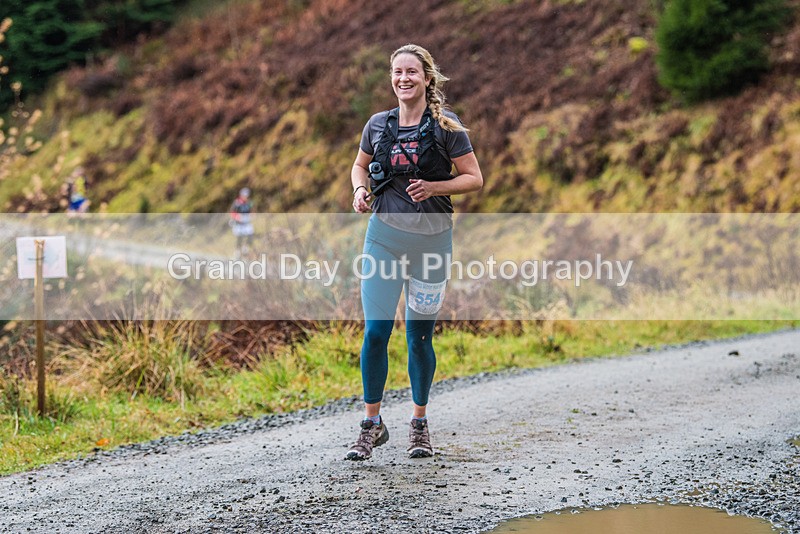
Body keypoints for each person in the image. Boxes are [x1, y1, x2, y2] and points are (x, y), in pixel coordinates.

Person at [347, 44, 483, 460]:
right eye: (397, 72)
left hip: (431, 245)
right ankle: (372, 424)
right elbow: (358, 165)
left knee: (419, 337)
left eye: (411, 72)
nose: (403, 78)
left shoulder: (446, 125)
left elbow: (474, 178)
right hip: (383, 240)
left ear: (427, 78)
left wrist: (434, 187)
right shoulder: (377, 124)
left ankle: (419, 424)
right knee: (375, 332)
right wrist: (358, 190)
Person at [229, 187, 254, 259]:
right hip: (238, 223)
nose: (246, 197)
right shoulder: (237, 203)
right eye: (244, 195)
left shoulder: (249, 202)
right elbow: (232, 212)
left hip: (246, 222)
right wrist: (237, 217)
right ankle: (237, 251)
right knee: (239, 237)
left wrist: (251, 215)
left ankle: (245, 247)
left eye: (247, 195)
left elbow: (252, 210)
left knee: (250, 234)